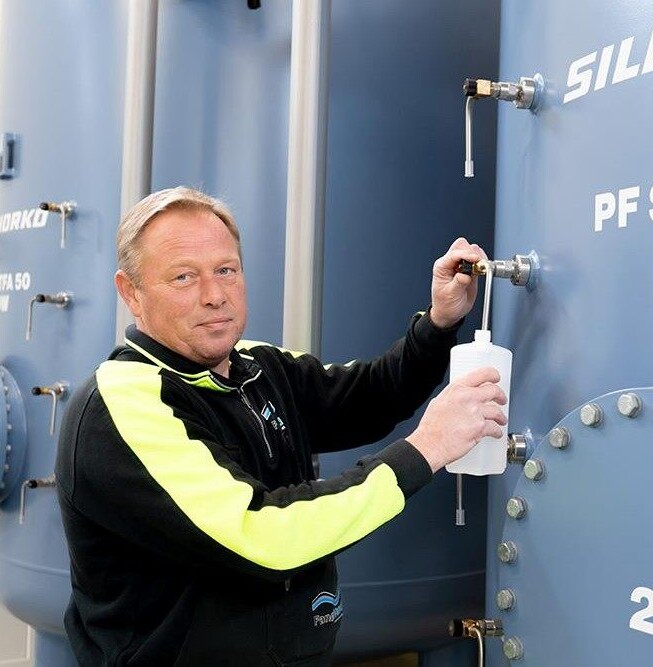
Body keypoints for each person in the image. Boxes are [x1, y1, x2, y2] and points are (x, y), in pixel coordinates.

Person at [55, 186, 507, 667]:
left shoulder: (255, 365)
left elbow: (369, 398)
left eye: (226, 270)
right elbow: (262, 535)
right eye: (184, 277)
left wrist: (438, 324)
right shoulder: (123, 404)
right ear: (131, 293)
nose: (214, 296)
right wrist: (425, 449)